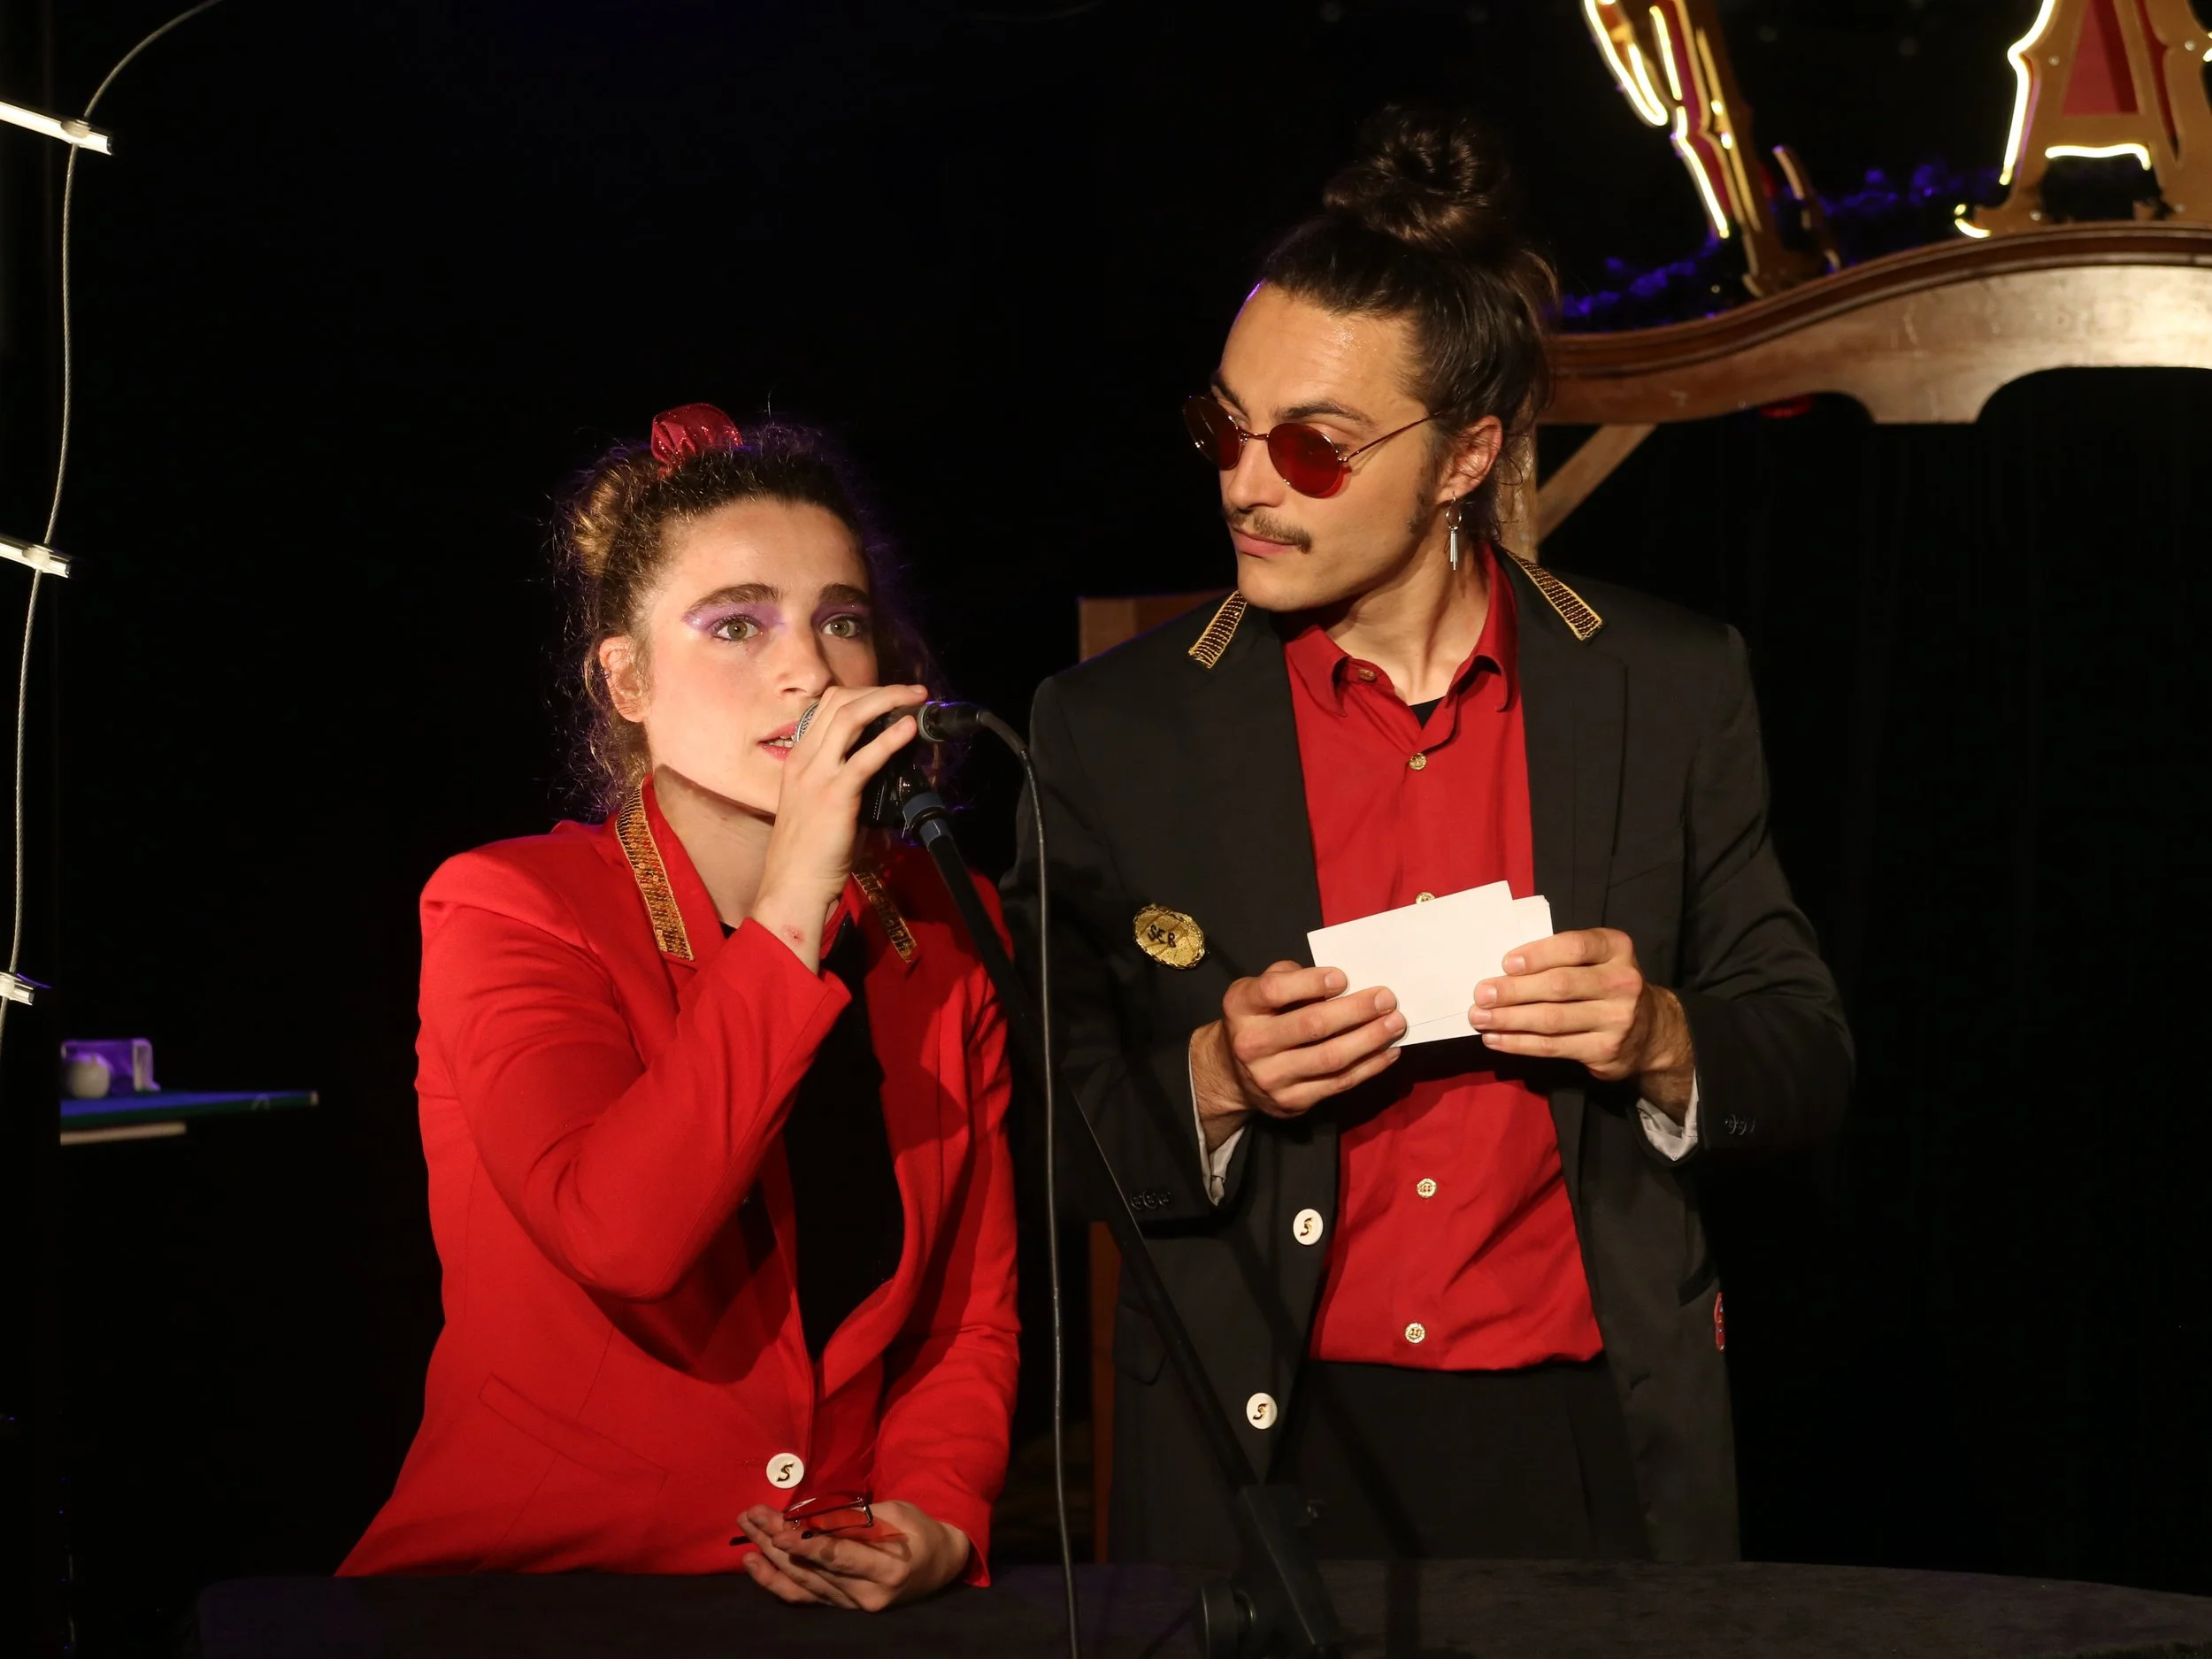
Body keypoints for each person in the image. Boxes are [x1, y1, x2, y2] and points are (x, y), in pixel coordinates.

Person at [1002, 109, 1852, 1564]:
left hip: (1583, 1444)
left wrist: (1658, 1033)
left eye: (1312, 448)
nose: (1246, 481)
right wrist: (1213, 1081)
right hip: (1264, 1449)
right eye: (1223, 426)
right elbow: (1026, 1121)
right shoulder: (1111, 729)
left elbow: (1806, 1054)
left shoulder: (1665, 684)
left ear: (1466, 456)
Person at [342, 405, 1018, 1609]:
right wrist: (793, 901)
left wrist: (935, 1517)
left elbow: (967, 1315)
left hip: (822, 1584)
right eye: (737, 624)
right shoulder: (510, 906)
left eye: (841, 621)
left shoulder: (944, 929)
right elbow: (624, 1235)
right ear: (629, 678)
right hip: (543, 1584)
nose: (809, 669)